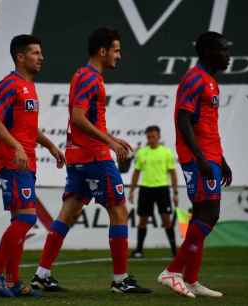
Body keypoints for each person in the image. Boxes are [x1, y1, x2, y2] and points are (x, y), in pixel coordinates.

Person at [30, 27, 152, 294]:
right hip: (94, 156)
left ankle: (41, 275)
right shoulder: (90, 78)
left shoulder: (83, 75)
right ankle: (120, 280)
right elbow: (77, 117)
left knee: (69, 212)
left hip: (79, 155)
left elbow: (85, 121)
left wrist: (112, 137)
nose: (119, 55)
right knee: (119, 209)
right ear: (103, 51)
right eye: (117, 50)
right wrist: (108, 142)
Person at [0, 34, 65, 298]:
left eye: (41, 53)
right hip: (11, 159)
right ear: (20, 57)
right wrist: (17, 146)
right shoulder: (9, 84)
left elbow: (27, 128)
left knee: (20, 219)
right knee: (28, 217)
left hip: (24, 159)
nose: (41, 57)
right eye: (35, 53)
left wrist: (50, 145)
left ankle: (14, 281)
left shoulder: (29, 86)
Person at [157, 31, 232, 298]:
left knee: (202, 215)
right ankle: (172, 272)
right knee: (208, 216)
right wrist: (200, 157)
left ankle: (190, 279)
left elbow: (207, 125)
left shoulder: (211, 82)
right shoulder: (194, 79)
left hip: (210, 156)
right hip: (198, 159)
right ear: (208, 52)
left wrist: (221, 159)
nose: (228, 55)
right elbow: (183, 120)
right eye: (223, 50)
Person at [128, 125, 179, 258]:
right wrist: (132, 191)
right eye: (149, 137)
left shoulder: (166, 152)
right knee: (142, 220)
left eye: (153, 136)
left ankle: (175, 251)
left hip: (162, 189)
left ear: (159, 137)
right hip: (145, 189)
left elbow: (173, 173)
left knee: (166, 220)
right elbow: (136, 173)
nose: (151, 139)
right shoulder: (141, 153)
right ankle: (139, 250)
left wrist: (175, 193)